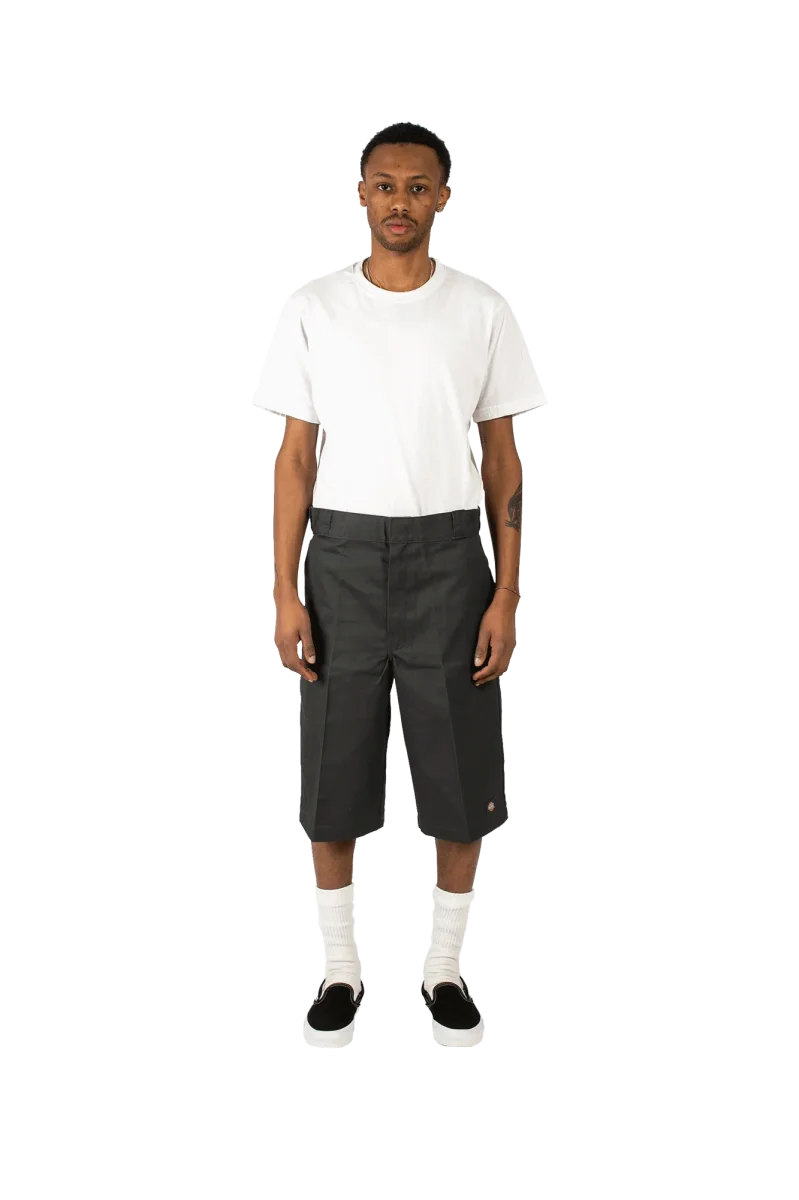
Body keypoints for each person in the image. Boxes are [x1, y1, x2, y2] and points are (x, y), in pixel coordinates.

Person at [262, 122, 542, 1047]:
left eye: (418, 187)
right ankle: (340, 972)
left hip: (450, 561)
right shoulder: (315, 306)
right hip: (340, 558)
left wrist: (505, 593)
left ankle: (446, 968)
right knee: (334, 770)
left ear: (443, 198)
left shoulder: (481, 309)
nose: (399, 202)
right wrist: (285, 592)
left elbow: (501, 459)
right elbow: (295, 458)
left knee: (460, 772)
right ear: (360, 193)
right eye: (384, 185)